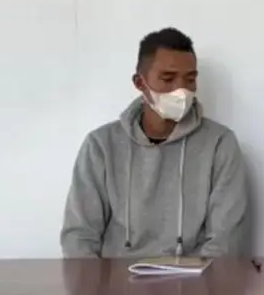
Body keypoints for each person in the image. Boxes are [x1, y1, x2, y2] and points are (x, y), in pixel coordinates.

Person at [60, 27, 249, 258]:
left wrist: (195, 278)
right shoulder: (100, 146)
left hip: (194, 277)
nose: (181, 91)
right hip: (116, 277)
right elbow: (79, 237)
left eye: (190, 80)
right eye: (168, 79)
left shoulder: (220, 144)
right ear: (140, 83)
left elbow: (225, 241)